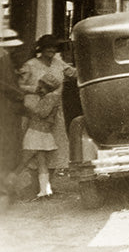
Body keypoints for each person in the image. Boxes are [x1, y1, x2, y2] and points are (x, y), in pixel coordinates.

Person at [18, 35, 75, 173]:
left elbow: (74, 74)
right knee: (33, 147)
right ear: (41, 49)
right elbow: (18, 86)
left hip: (55, 112)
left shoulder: (59, 63)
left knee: (55, 145)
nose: (51, 50)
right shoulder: (30, 65)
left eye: (54, 47)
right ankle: (31, 182)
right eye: (48, 47)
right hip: (34, 111)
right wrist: (34, 89)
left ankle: (48, 184)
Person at [22, 72, 61, 198]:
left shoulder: (50, 97)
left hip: (35, 133)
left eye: (41, 86)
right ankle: (45, 190)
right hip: (43, 133)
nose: (39, 89)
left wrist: (29, 109)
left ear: (47, 87)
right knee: (41, 162)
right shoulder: (50, 96)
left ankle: (5, 186)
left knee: (21, 161)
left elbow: (42, 113)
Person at [0, 28, 24, 206]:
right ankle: (6, 192)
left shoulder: (6, 58)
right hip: (6, 110)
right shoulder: (3, 57)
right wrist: (19, 94)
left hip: (8, 110)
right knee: (8, 150)